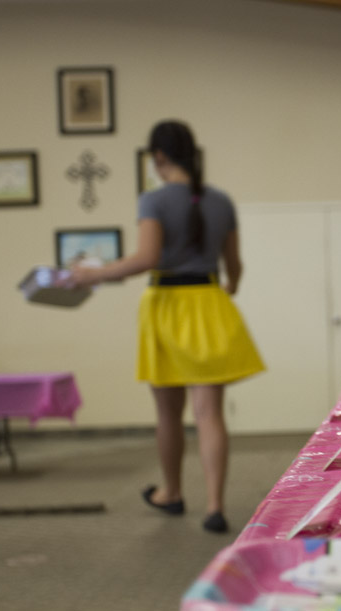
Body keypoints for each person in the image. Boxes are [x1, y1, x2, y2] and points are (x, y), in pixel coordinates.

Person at [64, 120, 265, 533]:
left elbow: (146, 258)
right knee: (210, 413)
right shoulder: (221, 200)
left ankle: (171, 493)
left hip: (167, 306)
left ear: (158, 157)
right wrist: (232, 285)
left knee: (167, 413)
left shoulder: (153, 201)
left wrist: (91, 275)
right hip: (208, 302)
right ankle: (214, 506)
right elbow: (235, 266)